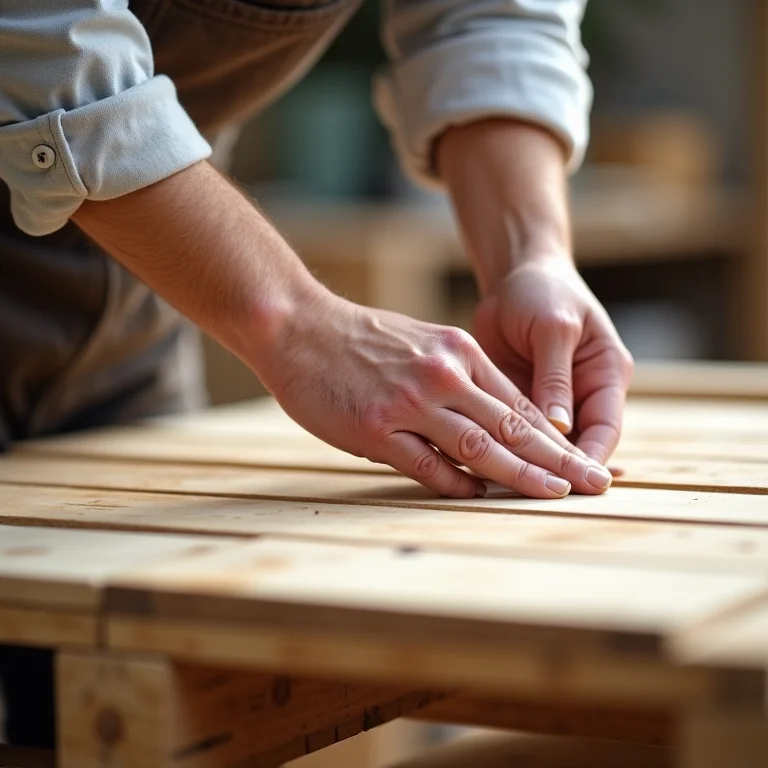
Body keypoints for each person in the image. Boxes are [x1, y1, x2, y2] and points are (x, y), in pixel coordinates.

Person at [0, 0, 632, 747]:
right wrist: (298, 326)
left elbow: (489, 18)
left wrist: (533, 255)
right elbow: (41, 43)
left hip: (143, 298)